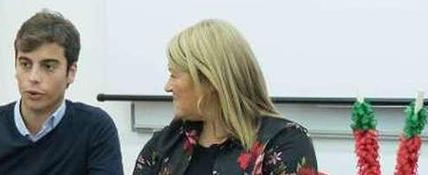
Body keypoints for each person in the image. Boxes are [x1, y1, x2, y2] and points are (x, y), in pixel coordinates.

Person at [0, 10, 123, 174]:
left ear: (71, 72)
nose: (33, 77)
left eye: (48, 66)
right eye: (25, 64)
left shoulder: (95, 128)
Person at [133, 19, 321, 175]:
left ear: (210, 81)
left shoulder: (284, 142)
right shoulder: (164, 145)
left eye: (174, 75)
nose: (167, 87)